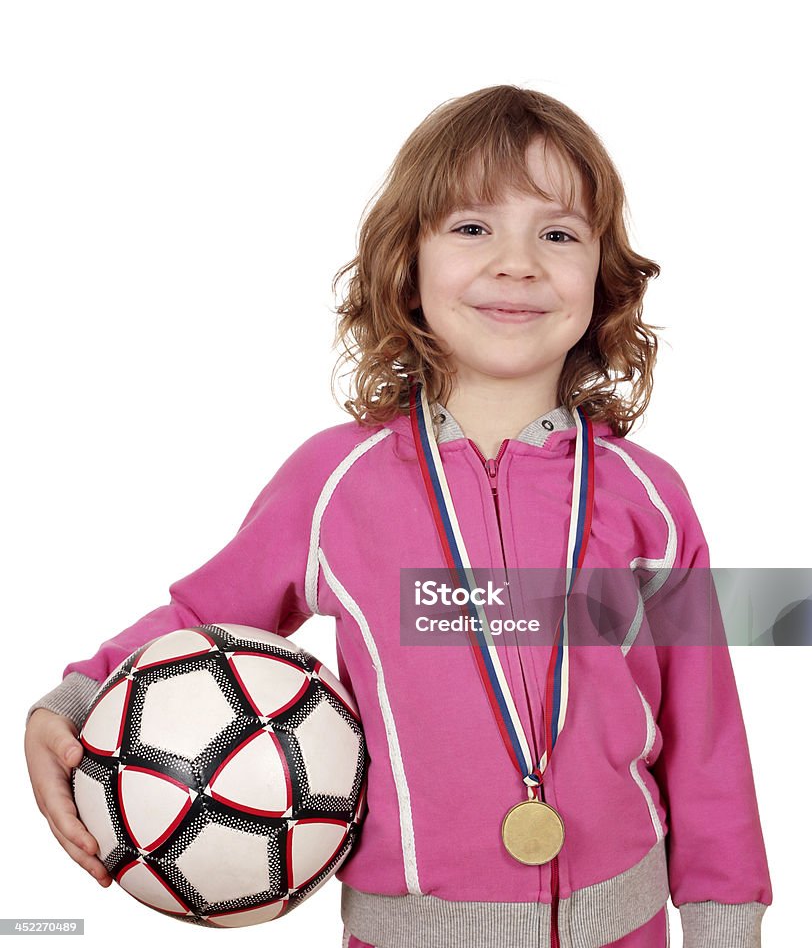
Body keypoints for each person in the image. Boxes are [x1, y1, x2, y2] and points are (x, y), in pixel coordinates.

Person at [24, 85, 772, 948]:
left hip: (625, 929)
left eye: (558, 234)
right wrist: (73, 701)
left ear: (600, 281)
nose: (518, 262)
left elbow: (707, 733)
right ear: (406, 267)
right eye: (471, 228)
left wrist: (726, 926)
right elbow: (201, 616)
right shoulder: (334, 484)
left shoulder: (653, 498)